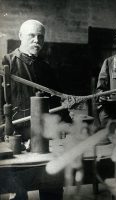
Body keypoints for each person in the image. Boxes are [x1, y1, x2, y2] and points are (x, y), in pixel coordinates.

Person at [1, 19, 63, 200]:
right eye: (32, 35)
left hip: (44, 136)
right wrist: (6, 133)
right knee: (19, 191)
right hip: (16, 135)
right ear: (20, 36)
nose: (37, 40)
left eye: (40, 37)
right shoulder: (6, 64)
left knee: (52, 182)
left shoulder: (46, 68)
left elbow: (58, 101)